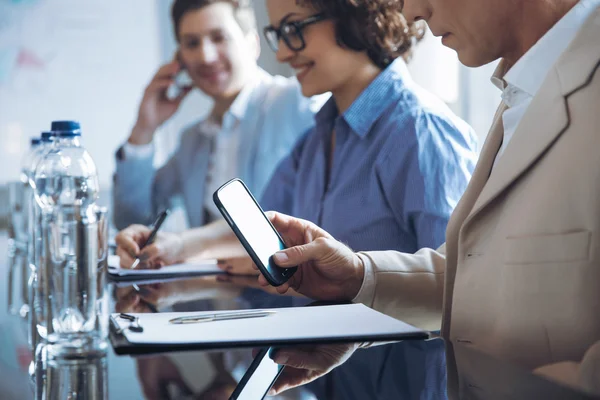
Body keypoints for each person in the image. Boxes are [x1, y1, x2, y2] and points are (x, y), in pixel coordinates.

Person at [116, 0, 478, 398]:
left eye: (294, 29)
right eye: (279, 35)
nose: (284, 52)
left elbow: (462, 294)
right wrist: (175, 245)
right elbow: (257, 224)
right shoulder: (317, 138)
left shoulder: (421, 131)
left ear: (354, 16)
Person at [244, 0, 600, 398]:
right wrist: (360, 276)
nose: (410, 11)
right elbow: (477, 273)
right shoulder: (520, 95)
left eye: (295, 29)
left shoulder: (422, 125)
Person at [112, 0, 325, 231]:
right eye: (192, 43)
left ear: (253, 44)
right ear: (180, 60)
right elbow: (132, 220)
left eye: (219, 37)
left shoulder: (299, 102)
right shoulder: (193, 140)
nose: (206, 56)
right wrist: (144, 128)